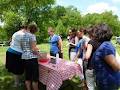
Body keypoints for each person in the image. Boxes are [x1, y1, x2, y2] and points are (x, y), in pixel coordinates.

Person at [91, 23, 120, 90]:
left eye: (95, 32)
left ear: (99, 33)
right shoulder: (105, 44)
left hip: (108, 83)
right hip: (105, 82)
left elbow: (116, 67)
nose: (93, 34)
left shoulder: (105, 46)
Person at [21, 24, 39, 90]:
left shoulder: (23, 36)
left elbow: (24, 47)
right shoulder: (32, 36)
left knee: (27, 76)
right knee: (35, 78)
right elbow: (33, 49)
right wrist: (40, 55)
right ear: (34, 30)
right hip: (32, 58)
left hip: (25, 58)